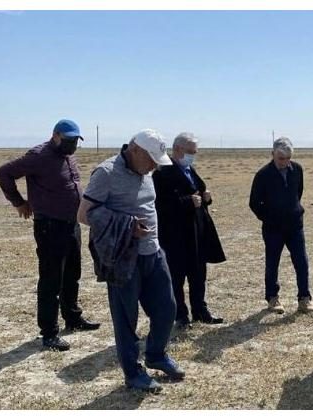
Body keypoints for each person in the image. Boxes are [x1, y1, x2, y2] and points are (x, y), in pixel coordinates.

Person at [77, 129, 184, 392]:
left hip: (153, 253)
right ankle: (133, 373)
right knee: (126, 319)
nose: (153, 167)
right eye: (151, 160)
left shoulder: (146, 170)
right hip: (123, 257)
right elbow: (84, 214)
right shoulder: (106, 173)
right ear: (135, 150)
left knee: (167, 309)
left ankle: (156, 355)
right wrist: (127, 226)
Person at [0, 119, 100, 352]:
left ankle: (72, 317)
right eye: (69, 140)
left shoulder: (68, 156)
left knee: (72, 273)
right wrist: (19, 202)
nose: (73, 144)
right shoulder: (38, 156)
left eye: (76, 141)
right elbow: (3, 173)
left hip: (71, 223)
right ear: (56, 136)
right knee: (51, 280)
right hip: (50, 226)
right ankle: (49, 333)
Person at [153, 132, 226, 328]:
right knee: (176, 276)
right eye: (191, 152)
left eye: (195, 152)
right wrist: (187, 202)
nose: (193, 156)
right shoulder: (162, 173)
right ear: (177, 149)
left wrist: (206, 197)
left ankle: (200, 311)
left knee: (198, 274)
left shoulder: (188, 169)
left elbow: (197, 193)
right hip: (176, 234)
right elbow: (161, 205)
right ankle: (180, 316)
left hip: (197, 231)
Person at [249, 137, 313, 314]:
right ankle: (272, 298)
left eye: (288, 158)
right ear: (272, 154)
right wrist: (268, 218)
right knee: (272, 263)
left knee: (302, 262)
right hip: (273, 229)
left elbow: (298, 193)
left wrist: (293, 210)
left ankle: (304, 299)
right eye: (281, 158)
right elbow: (254, 202)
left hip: (295, 226)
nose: (285, 162)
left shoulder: (297, 170)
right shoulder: (263, 175)